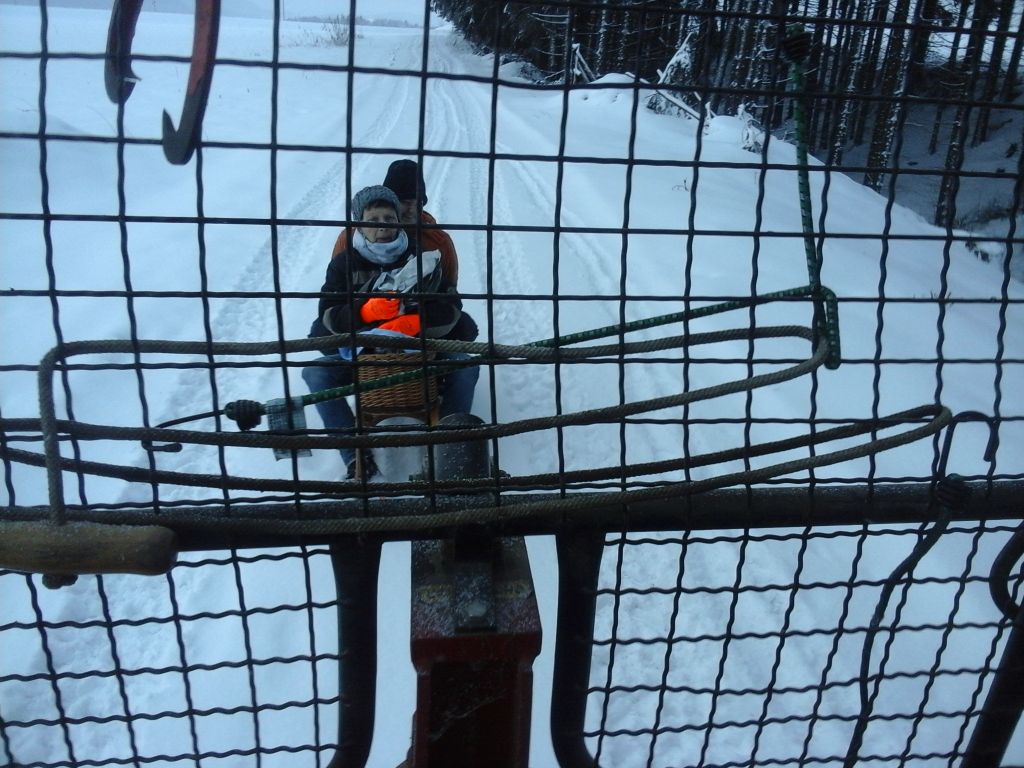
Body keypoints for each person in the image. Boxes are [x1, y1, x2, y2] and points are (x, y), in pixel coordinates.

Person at [303, 185, 479, 480]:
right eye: (373, 220)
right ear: (360, 225)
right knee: (316, 374)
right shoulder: (344, 264)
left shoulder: (422, 258)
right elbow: (328, 313)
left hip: (420, 351)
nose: (383, 226)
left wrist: (418, 322)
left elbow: (451, 307)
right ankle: (354, 456)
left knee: (466, 366)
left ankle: (448, 445)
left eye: (389, 218)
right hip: (361, 355)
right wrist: (364, 313)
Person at [332, 159, 478, 342]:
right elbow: (336, 292)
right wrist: (364, 312)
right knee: (320, 330)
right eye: (404, 201)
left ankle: (428, 353)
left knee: (464, 327)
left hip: (415, 317)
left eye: (417, 202)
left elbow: (449, 292)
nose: (410, 209)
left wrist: (419, 321)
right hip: (362, 321)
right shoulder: (349, 239)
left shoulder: (437, 241)